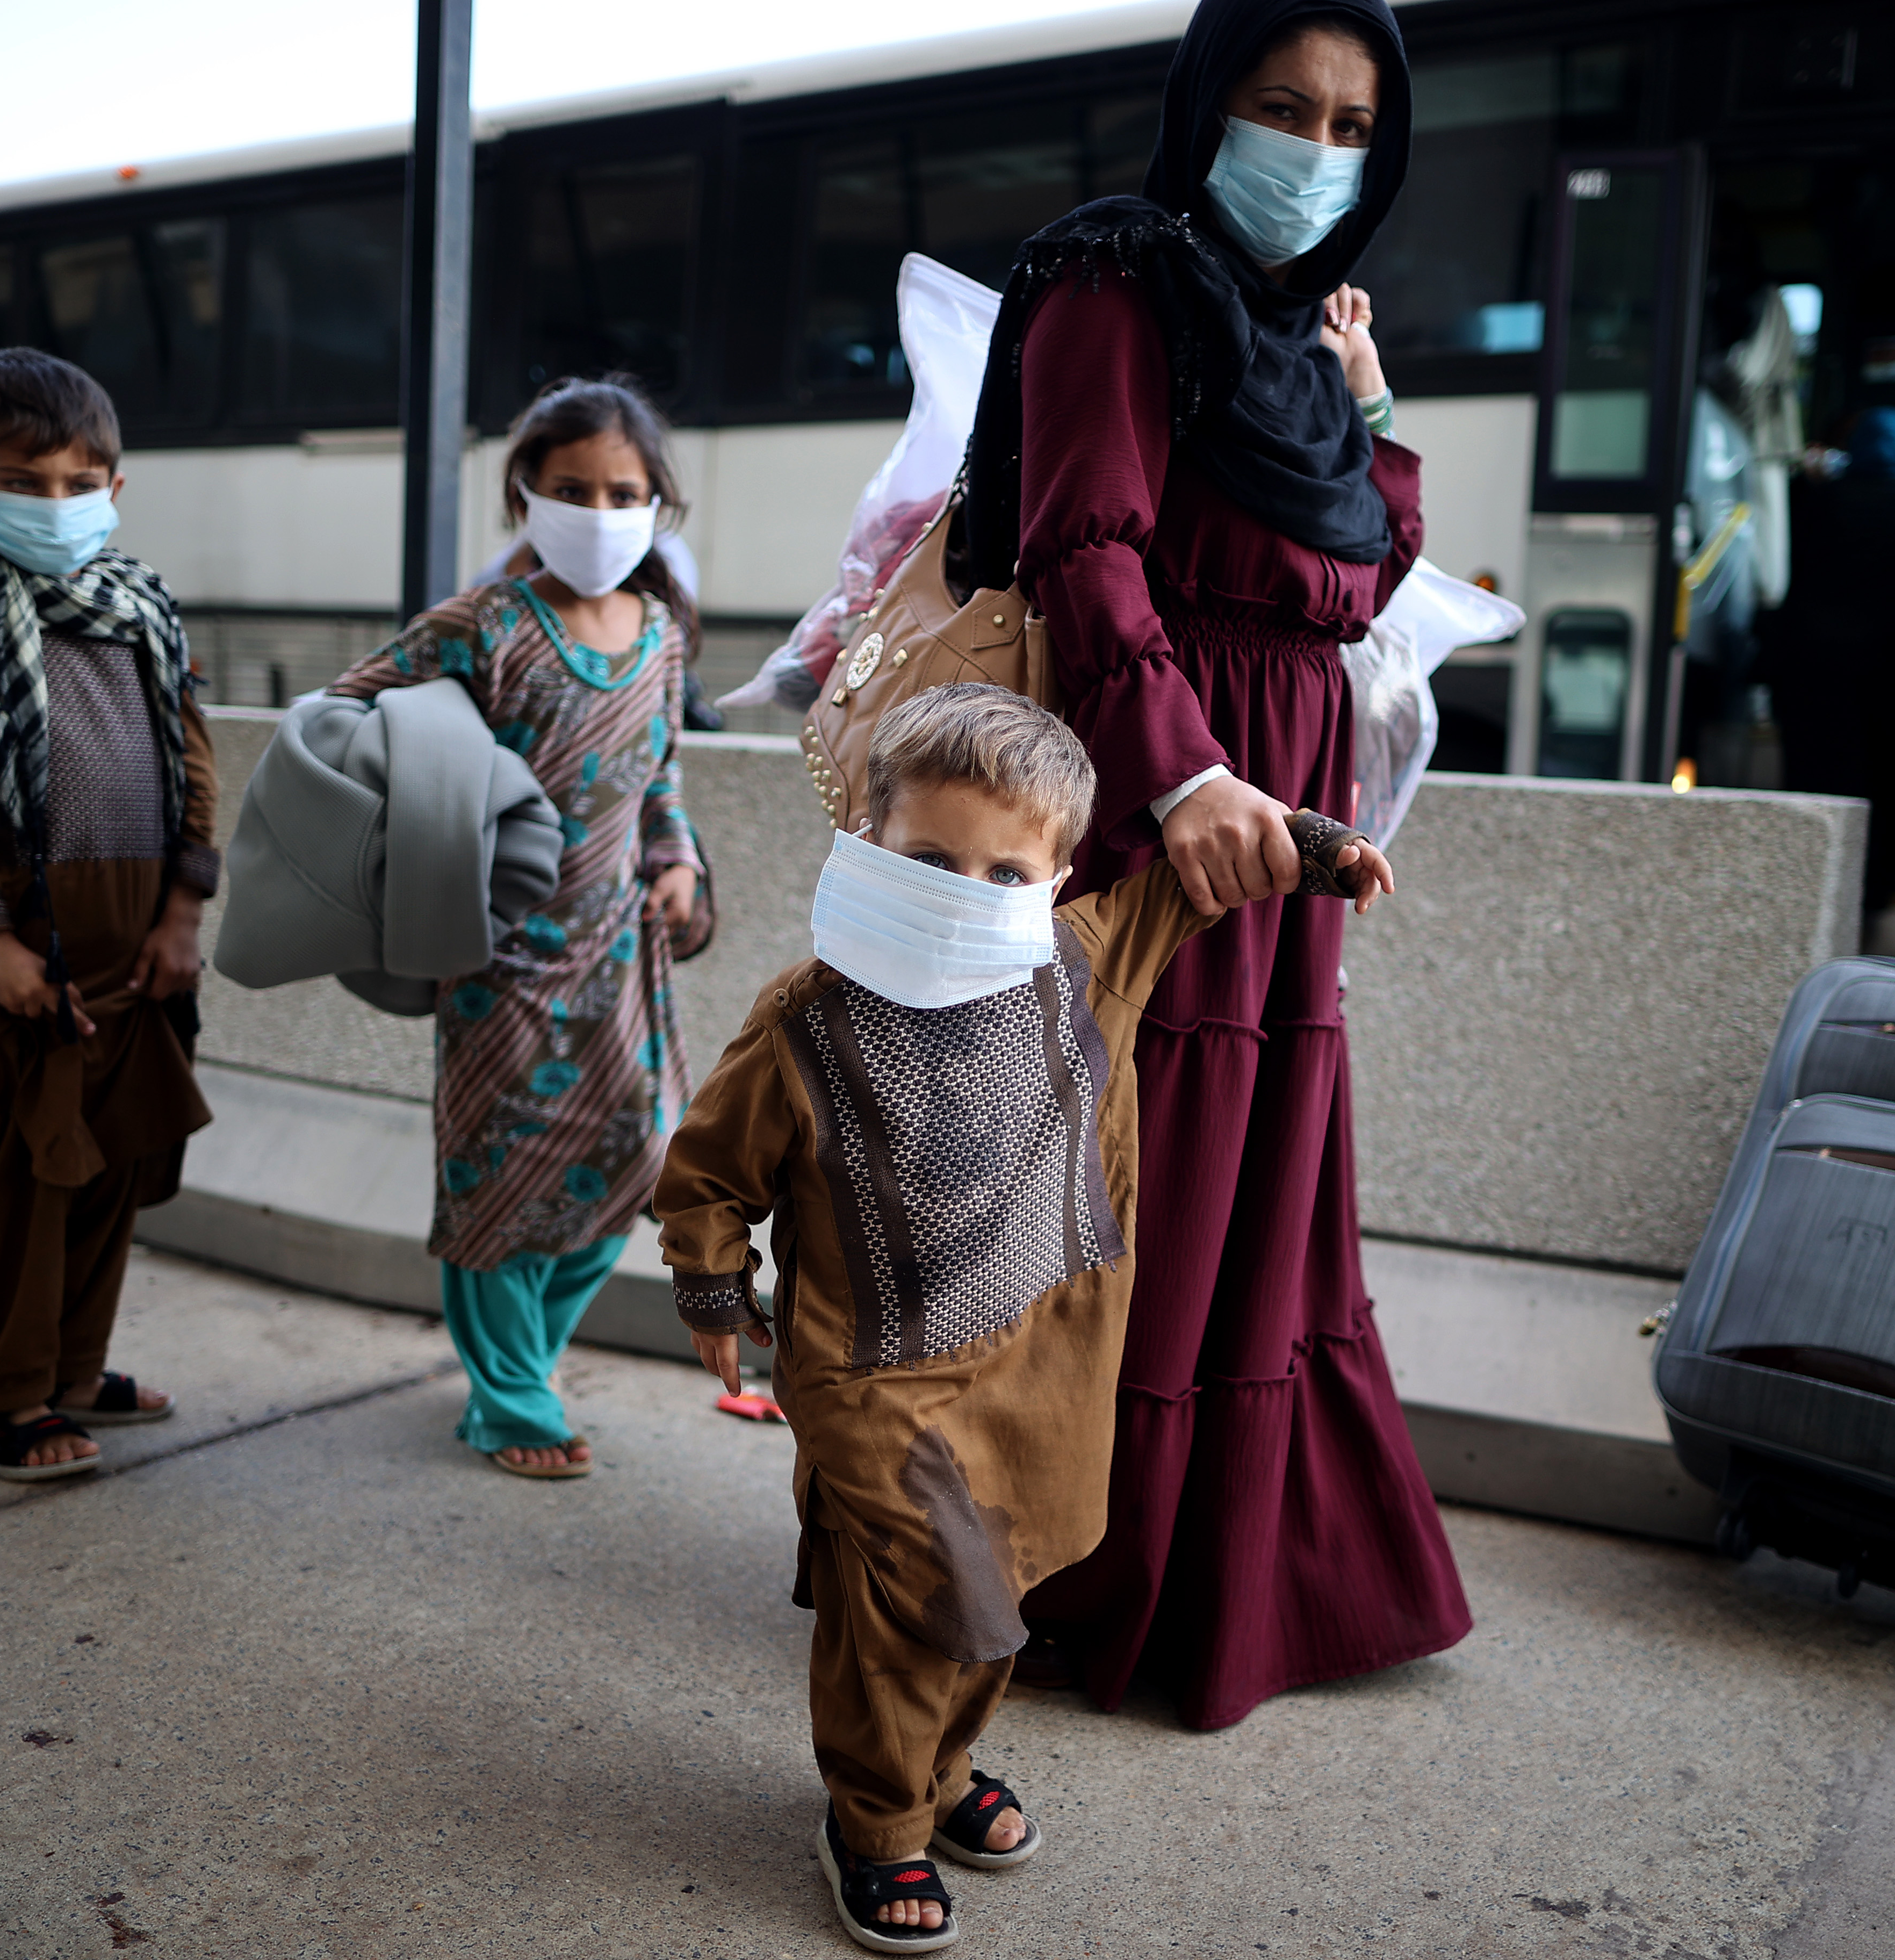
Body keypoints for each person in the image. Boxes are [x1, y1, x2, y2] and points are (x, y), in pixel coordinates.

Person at [657, 684, 1393, 1950]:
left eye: (1004, 870)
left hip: (1038, 1366)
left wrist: (1318, 847)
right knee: (914, 1596)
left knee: (1001, 1592)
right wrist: (714, 1288)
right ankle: (873, 1818)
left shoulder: (1084, 957)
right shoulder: (806, 1017)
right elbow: (711, 1171)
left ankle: (937, 1775)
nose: (965, 889)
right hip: (869, 1373)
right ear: (864, 840)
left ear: (1055, 879)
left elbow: (1201, 867)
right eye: (929, 859)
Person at [953, 0, 1471, 1734]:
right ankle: (1053, 1565)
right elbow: (1082, 544)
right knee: (1131, 1174)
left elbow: (1363, 574)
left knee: (1239, 1181)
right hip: (1155, 801)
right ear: (1206, 104)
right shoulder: (1119, 277)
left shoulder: (1289, 344)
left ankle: (1198, 1573)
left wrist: (1368, 401)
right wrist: (1181, 777)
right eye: (1280, 105)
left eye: (1350, 123)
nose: (1315, 150)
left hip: (1279, 806)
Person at [327, 377, 712, 1478]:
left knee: (640, 1163)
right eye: (572, 489)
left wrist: (677, 862)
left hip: (622, 959)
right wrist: (443, 830)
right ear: (525, 495)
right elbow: (344, 721)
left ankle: (524, 1364)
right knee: (497, 1175)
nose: (599, 511)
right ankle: (509, 1400)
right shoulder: (484, 625)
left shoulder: (664, 630)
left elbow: (659, 773)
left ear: (656, 502)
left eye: (623, 491)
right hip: (498, 962)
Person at [0, 348, 216, 1481]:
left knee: (109, 1174)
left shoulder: (146, 618)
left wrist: (182, 917)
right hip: (14, 976)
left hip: (135, 968)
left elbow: (194, 771)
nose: (57, 502)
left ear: (116, 489)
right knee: (16, 1189)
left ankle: (76, 1370)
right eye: (24, 481)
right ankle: (5, 1396)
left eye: (82, 481)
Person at [1760, 405, 1895, 910]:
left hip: (1808, 676)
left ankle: (1797, 894)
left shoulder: (1816, 500)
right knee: (1876, 792)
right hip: (1884, 677)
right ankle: (1863, 901)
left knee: (1809, 785)